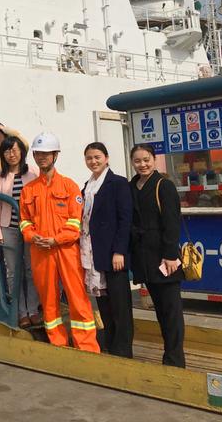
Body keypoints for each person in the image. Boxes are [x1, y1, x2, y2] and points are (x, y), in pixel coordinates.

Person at [19, 132, 100, 353]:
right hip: (40, 251)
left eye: (47, 154)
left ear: (55, 155)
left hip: (65, 250)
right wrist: (32, 236)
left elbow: (76, 224)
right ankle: (58, 343)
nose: (42, 158)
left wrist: (56, 239)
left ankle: (87, 346)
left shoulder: (70, 187)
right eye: (38, 154)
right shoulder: (29, 190)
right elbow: (24, 221)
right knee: (48, 299)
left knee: (77, 296)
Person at [129, 143, 186, 368]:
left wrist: (171, 255)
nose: (142, 164)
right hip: (145, 258)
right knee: (160, 310)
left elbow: (172, 223)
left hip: (165, 258)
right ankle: (168, 354)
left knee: (171, 311)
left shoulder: (164, 186)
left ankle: (174, 359)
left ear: (154, 160)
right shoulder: (132, 185)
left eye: (146, 160)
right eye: (137, 161)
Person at [81, 142, 134, 358]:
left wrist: (119, 250)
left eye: (97, 157)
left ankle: (123, 348)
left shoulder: (118, 183)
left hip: (114, 254)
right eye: (89, 158)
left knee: (120, 304)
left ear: (107, 158)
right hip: (94, 253)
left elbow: (125, 219)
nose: (93, 161)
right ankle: (110, 343)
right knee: (104, 302)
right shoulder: (87, 186)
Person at [0, 135, 40, 329]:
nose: (11, 154)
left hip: (31, 228)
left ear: (22, 152)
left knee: (31, 269)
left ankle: (34, 310)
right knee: (13, 272)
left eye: (15, 150)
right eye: (7, 150)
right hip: (8, 228)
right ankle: (20, 311)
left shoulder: (33, 172)